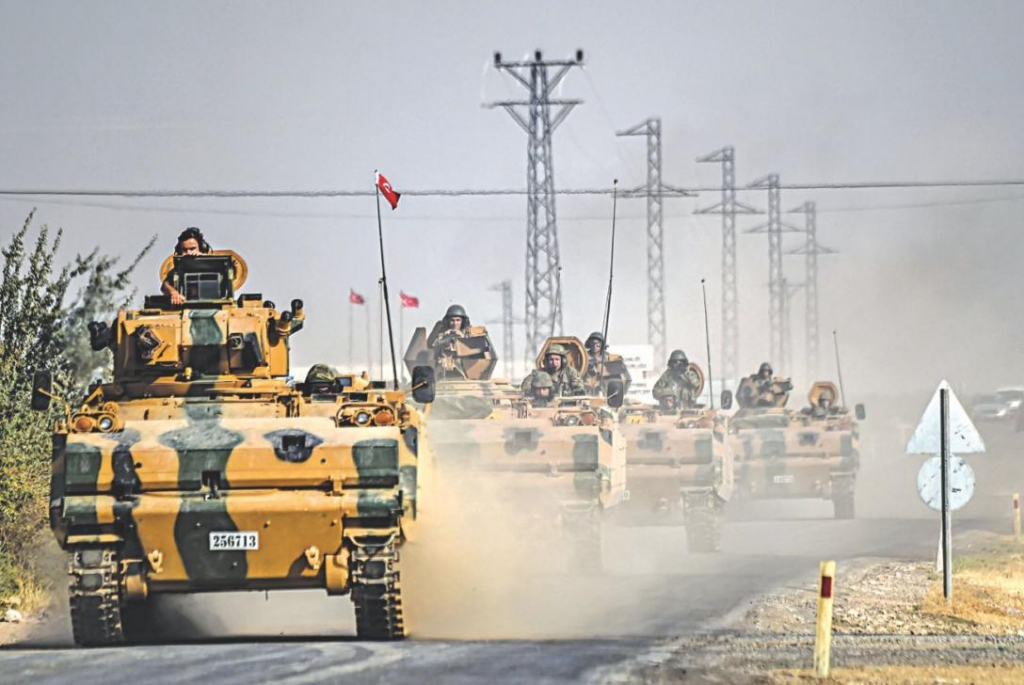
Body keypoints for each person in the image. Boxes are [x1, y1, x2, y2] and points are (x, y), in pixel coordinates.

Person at [162, 227, 212, 305]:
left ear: (201, 248)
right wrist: (173, 292)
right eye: (184, 250)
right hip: (186, 304)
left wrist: (204, 260)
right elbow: (165, 285)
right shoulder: (179, 269)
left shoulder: (214, 265)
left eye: (192, 249)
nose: (188, 253)